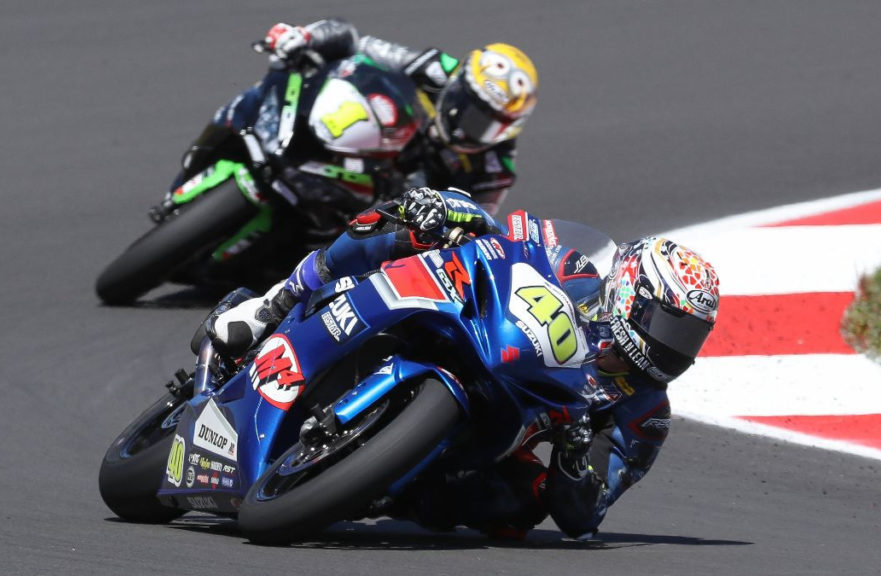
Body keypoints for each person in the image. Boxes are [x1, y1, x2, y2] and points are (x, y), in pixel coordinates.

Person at [198, 187, 720, 539]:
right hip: (471, 326)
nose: (674, 347)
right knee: (423, 218)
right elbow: (517, 234)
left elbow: (585, 513)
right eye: (669, 326)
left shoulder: (644, 413)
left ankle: (387, 485)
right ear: (632, 293)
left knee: (519, 510)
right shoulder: (578, 269)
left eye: (689, 337)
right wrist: (459, 215)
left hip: (496, 426)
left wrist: (573, 457)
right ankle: (278, 301)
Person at [204, 18, 538, 217]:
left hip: (390, 209)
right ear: (459, 83)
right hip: (359, 145)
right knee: (296, 66)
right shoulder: (437, 68)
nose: (468, 126)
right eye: (468, 108)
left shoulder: (496, 170)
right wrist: (307, 37)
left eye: (487, 124)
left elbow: (477, 220)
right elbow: (357, 43)